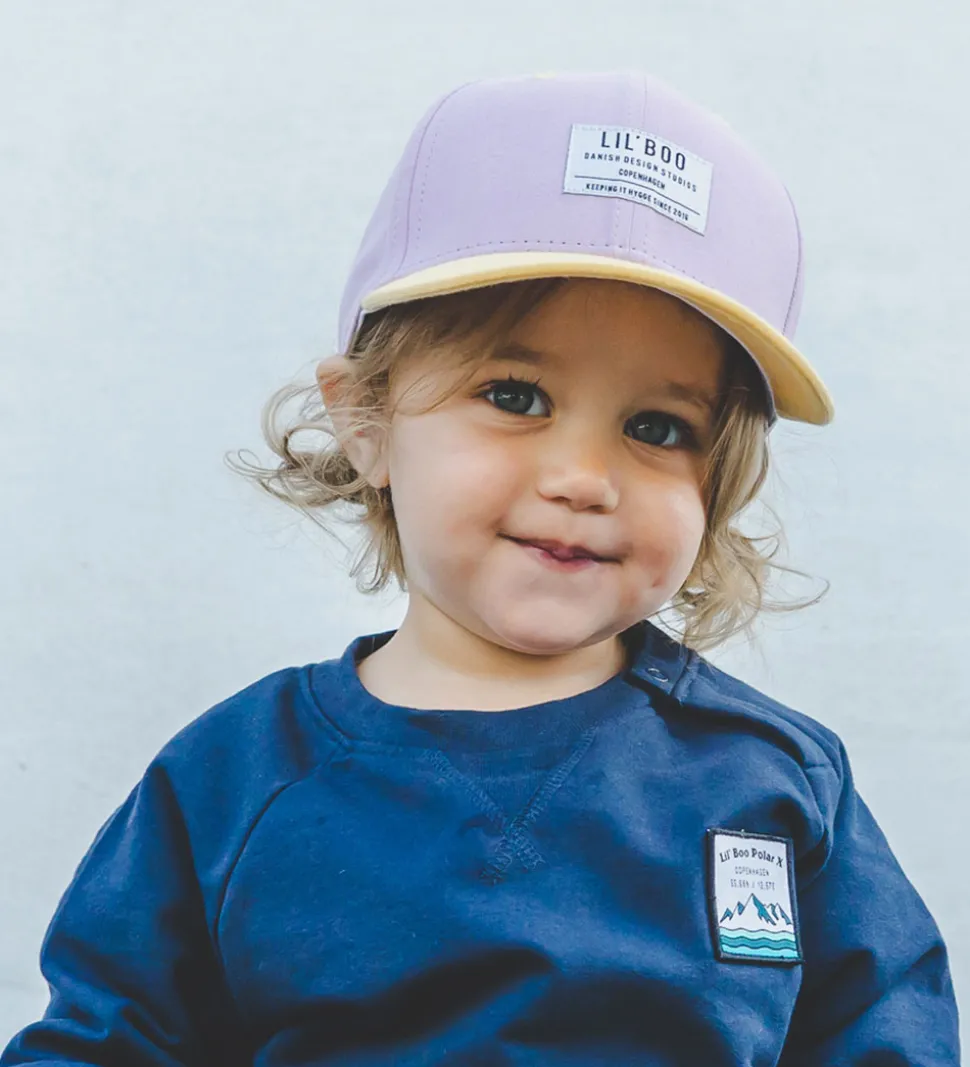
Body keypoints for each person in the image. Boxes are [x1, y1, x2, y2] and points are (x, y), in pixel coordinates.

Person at [2, 72, 959, 1066]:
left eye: (656, 426)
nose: (583, 477)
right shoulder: (231, 781)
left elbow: (891, 1035)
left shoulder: (775, 779)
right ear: (365, 419)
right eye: (514, 395)